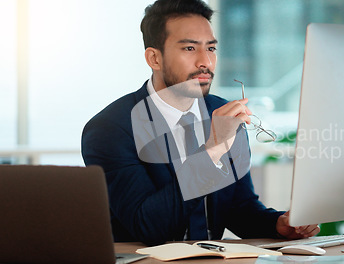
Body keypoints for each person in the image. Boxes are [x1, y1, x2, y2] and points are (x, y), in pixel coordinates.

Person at [81, 0, 319, 246]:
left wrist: (278, 225)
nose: (205, 62)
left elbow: (239, 208)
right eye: (189, 49)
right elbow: (149, 227)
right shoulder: (110, 129)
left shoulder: (221, 112)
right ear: (154, 58)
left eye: (211, 49)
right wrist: (213, 149)